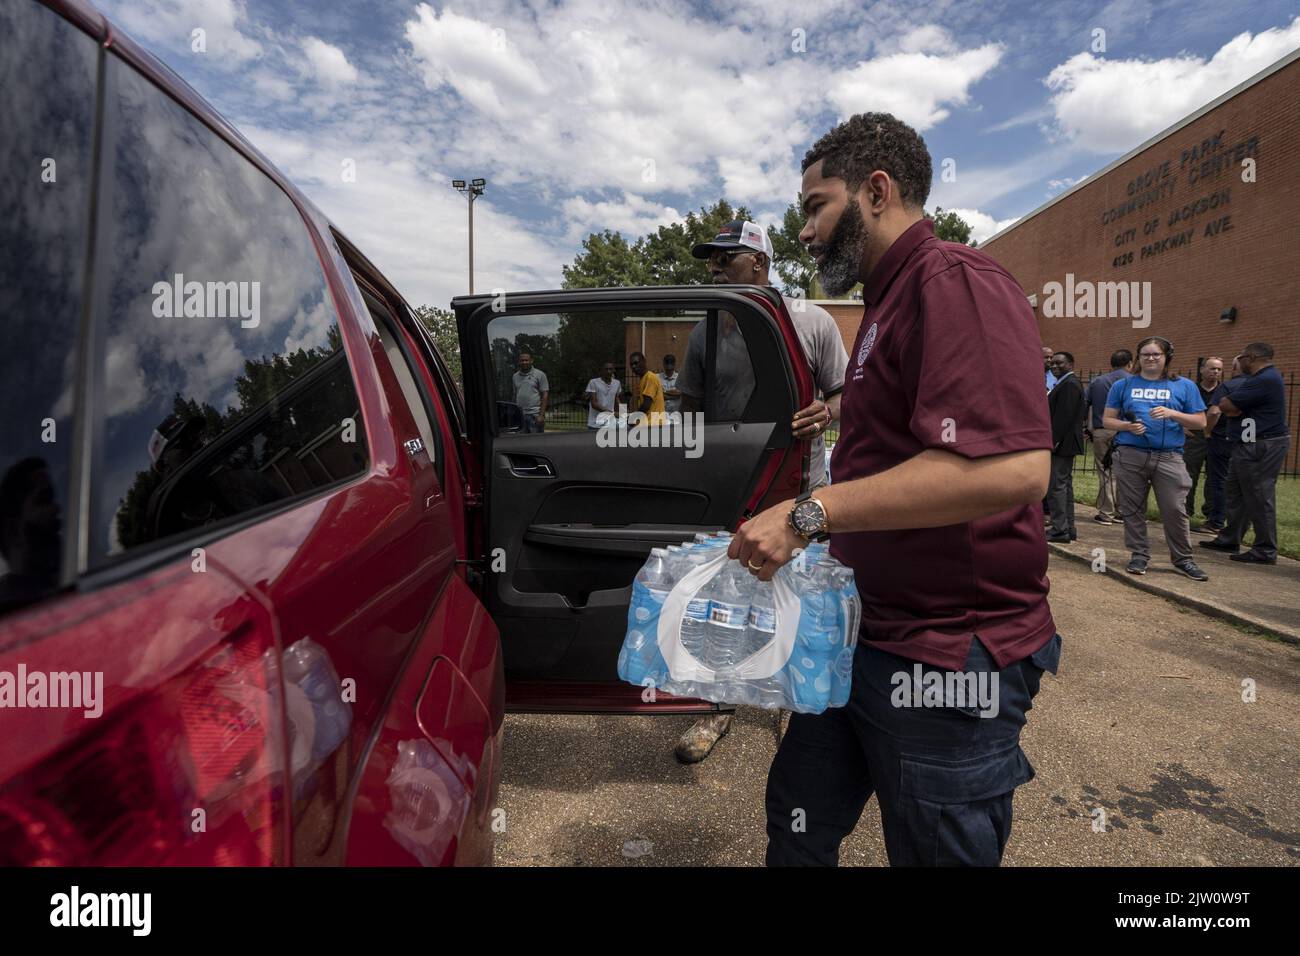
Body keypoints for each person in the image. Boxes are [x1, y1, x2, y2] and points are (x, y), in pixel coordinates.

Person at [731, 112, 1060, 866]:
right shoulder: (886, 301)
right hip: (864, 638)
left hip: (947, 657)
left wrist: (809, 514)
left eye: (817, 207)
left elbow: (1010, 468)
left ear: (877, 190)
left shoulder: (955, 279)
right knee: (800, 818)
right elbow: (911, 436)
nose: (806, 233)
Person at [671, 218, 849, 765]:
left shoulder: (811, 320)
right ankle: (716, 708)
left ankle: (801, 705)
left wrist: (826, 412)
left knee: (802, 597)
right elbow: (688, 404)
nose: (716, 267)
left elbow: (845, 397)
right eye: (713, 258)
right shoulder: (709, 328)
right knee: (721, 600)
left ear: (761, 264)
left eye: (727, 257)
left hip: (801, 487)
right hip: (733, 488)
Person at [1101, 336, 1209, 580]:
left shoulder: (1184, 386)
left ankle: (1183, 559)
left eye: (1156, 354)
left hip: (1169, 456)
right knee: (1132, 508)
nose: (1150, 358)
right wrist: (1127, 427)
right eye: (1145, 354)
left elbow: (1201, 422)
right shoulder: (1123, 385)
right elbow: (1107, 420)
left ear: (1166, 357)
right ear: (1137, 358)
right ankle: (1139, 554)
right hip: (1130, 454)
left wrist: (1172, 413)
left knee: (1174, 508)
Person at [1200, 343, 1289, 564]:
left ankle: (1265, 549)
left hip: (1262, 444)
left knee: (1259, 496)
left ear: (1251, 358)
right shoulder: (1259, 380)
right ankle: (1230, 537)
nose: (1239, 363)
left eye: (1241, 358)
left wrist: (1232, 405)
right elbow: (1228, 406)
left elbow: (1226, 405)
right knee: (1236, 491)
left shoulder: (1264, 379)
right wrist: (1232, 406)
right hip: (1248, 442)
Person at [1084, 349, 1132, 525]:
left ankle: (1107, 512)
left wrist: (1086, 427)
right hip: (1128, 430)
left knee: (1106, 471)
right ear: (1130, 364)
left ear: (1110, 364)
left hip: (1103, 429)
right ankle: (1122, 511)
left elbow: (1084, 402)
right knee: (1125, 472)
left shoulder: (1097, 381)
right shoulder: (1134, 382)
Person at [1184, 357, 1227, 534]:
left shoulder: (1224, 390)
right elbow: (1180, 408)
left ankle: (1211, 514)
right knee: (1188, 475)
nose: (1215, 372)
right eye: (1212, 368)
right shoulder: (1192, 389)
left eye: (1218, 369)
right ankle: (1185, 512)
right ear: (1202, 370)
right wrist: (1182, 425)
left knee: (1215, 478)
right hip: (1195, 437)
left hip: (1217, 437)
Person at [1046, 352, 1085, 543]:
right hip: (1065, 444)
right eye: (1052, 363)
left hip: (1062, 444)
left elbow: (1063, 417)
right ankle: (1068, 527)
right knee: (1064, 486)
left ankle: (1059, 529)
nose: (1054, 366)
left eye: (1059, 363)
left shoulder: (1069, 384)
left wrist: (1052, 442)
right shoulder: (1064, 383)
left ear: (1070, 364)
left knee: (1056, 487)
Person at [512, 353, 548, 433]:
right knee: (521, 443)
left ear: (531, 361)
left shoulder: (540, 374)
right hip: (520, 416)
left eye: (526, 360)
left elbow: (545, 395)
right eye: (522, 360)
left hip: (535, 415)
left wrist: (541, 415)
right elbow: (515, 395)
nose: (524, 362)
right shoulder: (515, 376)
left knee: (536, 443)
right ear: (519, 362)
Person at [627, 351, 665, 423]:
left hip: (654, 424)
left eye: (636, 363)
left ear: (644, 362)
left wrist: (633, 417)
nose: (633, 366)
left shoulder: (650, 378)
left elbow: (646, 404)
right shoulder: (643, 379)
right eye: (631, 364)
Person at [584, 362, 621, 430]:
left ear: (613, 370)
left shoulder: (617, 383)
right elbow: (594, 404)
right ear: (601, 371)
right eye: (606, 369)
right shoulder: (593, 382)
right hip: (595, 424)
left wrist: (623, 413)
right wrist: (612, 414)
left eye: (610, 369)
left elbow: (616, 399)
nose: (608, 371)